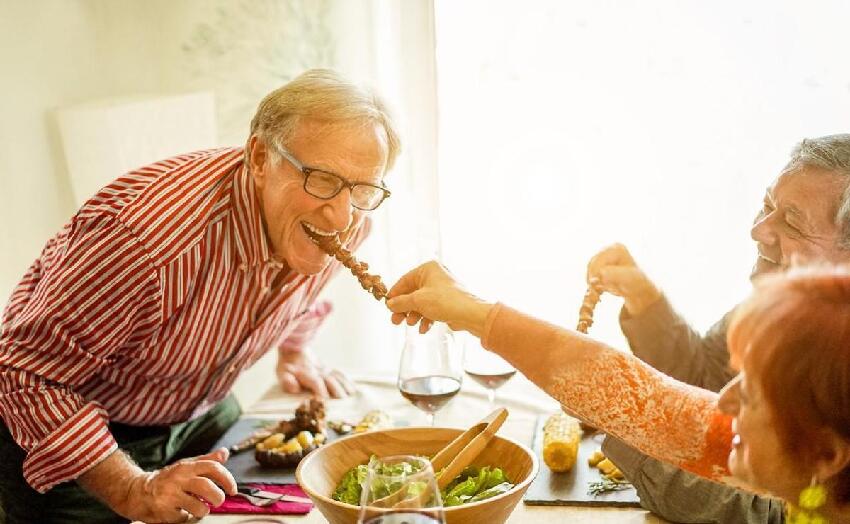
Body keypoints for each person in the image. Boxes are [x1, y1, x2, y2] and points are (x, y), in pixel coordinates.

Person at [0, 69, 400, 523]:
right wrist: (134, 488)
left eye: (363, 188)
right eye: (322, 179)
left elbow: (304, 288)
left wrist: (294, 351)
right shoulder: (145, 241)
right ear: (259, 156)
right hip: (87, 438)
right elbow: (23, 373)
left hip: (203, 410)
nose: (344, 214)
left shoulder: (345, 219)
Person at [385, 261, 850, 522]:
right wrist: (472, 311)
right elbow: (638, 397)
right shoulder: (815, 477)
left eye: (752, 393)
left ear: (826, 454)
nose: (721, 402)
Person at [583, 133, 850, 523]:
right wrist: (647, 302)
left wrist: (628, 423)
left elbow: (769, 514)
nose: (758, 231)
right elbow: (708, 379)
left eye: (791, 221)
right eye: (767, 205)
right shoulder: (781, 296)